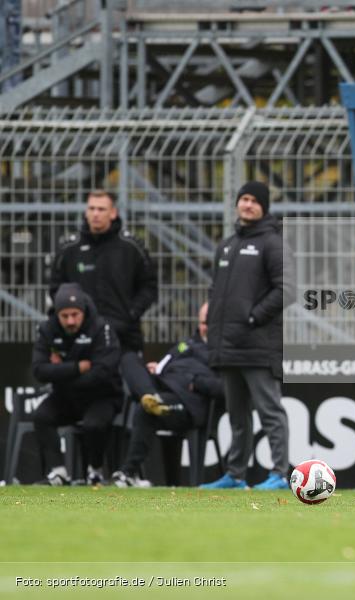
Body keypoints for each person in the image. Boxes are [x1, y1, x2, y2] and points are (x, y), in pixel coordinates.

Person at [202, 181, 295, 490]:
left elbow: (287, 290)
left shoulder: (273, 243)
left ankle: (279, 474)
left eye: (255, 200)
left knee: (270, 412)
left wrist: (253, 317)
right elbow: (215, 291)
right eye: (244, 198)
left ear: (263, 207)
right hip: (228, 346)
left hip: (258, 346)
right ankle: (235, 475)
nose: (248, 204)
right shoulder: (227, 245)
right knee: (237, 417)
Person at [112, 302, 223, 487]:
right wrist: (156, 369)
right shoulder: (186, 344)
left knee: (145, 411)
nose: (207, 328)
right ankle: (150, 396)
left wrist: (195, 382)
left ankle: (128, 473)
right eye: (204, 323)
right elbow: (164, 364)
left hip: (188, 402)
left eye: (212, 323)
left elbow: (224, 389)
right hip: (163, 386)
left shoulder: (224, 353)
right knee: (129, 358)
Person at [31, 283, 122, 486]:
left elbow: (103, 372)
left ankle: (95, 470)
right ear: (57, 314)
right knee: (41, 417)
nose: (70, 321)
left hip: (102, 396)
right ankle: (58, 472)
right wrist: (76, 367)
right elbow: (39, 370)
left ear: (83, 311)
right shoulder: (47, 329)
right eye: (65, 316)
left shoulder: (101, 328)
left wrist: (60, 372)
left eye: (75, 315)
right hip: (66, 397)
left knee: (93, 425)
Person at [50, 189, 157, 353]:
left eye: (101, 209)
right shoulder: (69, 249)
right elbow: (56, 289)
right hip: (80, 336)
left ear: (113, 213)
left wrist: (131, 313)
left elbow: (149, 286)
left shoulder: (131, 247)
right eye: (91, 208)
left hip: (124, 336)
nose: (95, 214)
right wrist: (73, 317)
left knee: (132, 370)